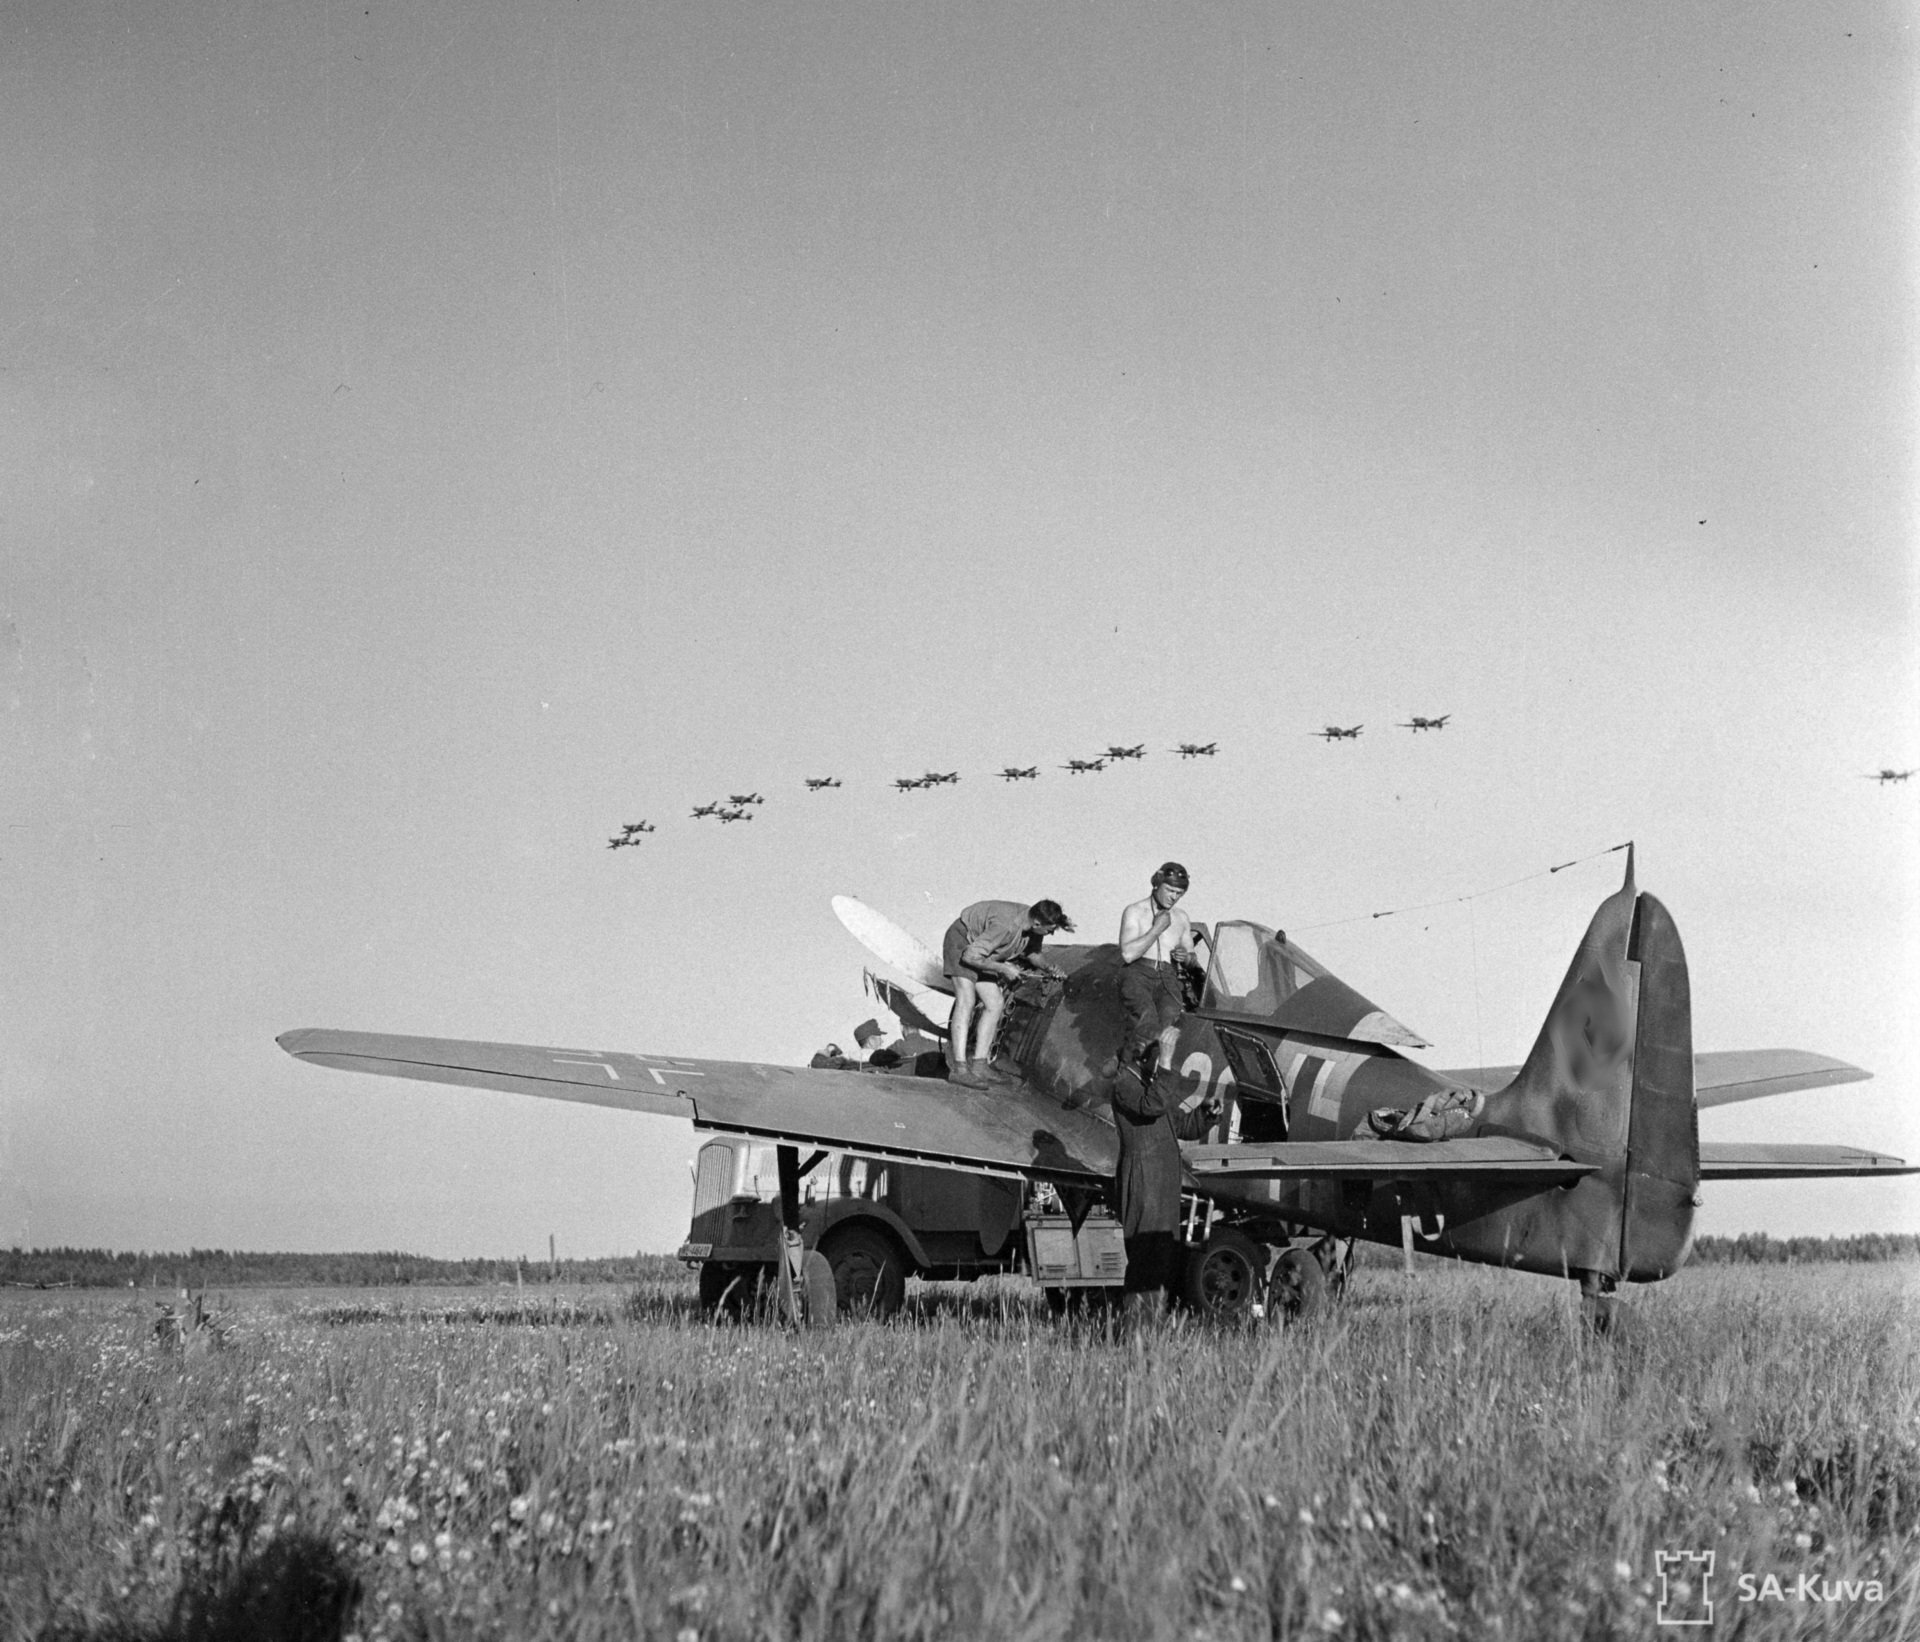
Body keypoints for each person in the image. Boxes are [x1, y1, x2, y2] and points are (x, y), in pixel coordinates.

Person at [942, 898, 1074, 1089]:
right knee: (966, 999)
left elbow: (1032, 954)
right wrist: (1003, 969)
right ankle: (960, 1070)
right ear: (1037, 923)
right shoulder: (1006, 926)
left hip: (984, 953)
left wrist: (1048, 967)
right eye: (1049, 929)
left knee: (995, 1003)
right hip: (963, 942)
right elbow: (970, 955)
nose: (1051, 933)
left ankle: (979, 1065)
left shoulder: (1033, 925)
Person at [1116, 862, 1200, 1078]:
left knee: (1169, 1020)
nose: (1174, 897)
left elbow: (1192, 957)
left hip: (1167, 976)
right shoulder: (1135, 911)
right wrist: (1156, 930)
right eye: (1170, 890)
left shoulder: (1181, 918)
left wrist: (1186, 957)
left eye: (1179, 893)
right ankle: (1124, 1068)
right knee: (1147, 1018)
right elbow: (1127, 954)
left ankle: (1141, 1070)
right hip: (1137, 972)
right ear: (1156, 884)